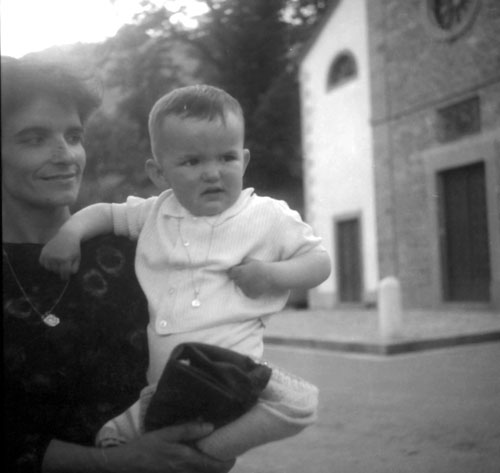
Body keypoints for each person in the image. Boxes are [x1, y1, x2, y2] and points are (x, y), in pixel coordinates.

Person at [40, 84, 331, 452]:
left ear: (244, 161)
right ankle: (144, 447)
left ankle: (208, 453)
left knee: (300, 404)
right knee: (115, 435)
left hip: (232, 373)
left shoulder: (267, 215)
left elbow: (319, 263)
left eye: (226, 158)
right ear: (159, 173)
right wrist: (69, 233)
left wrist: (272, 275)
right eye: (192, 162)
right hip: (165, 382)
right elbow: (106, 214)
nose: (213, 173)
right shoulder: (156, 212)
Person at [2, 57, 235, 473]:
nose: (66, 155)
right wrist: (114, 462)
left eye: (74, 136)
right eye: (34, 139)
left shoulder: (139, 248)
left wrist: (208, 438)